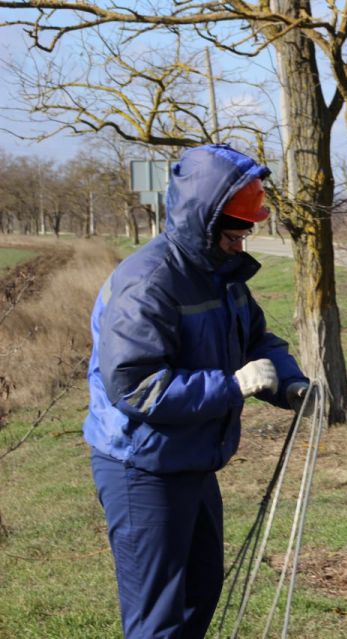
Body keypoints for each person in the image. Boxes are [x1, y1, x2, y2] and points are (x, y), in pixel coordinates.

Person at [83, 144, 310, 638]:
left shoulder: (220, 276)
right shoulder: (149, 283)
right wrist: (231, 386)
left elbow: (256, 339)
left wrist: (289, 383)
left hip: (192, 458)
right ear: (204, 221)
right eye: (233, 234)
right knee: (159, 617)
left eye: (246, 233)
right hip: (142, 465)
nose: (241, 245)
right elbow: (136, 387)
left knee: (200, 593)